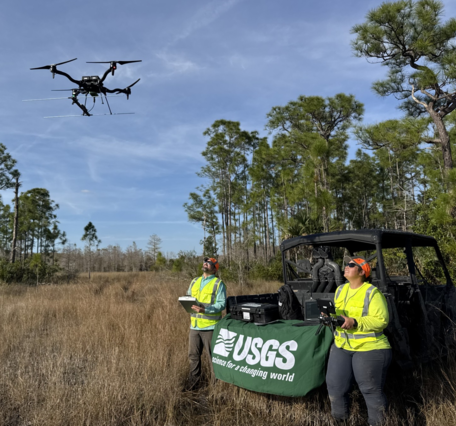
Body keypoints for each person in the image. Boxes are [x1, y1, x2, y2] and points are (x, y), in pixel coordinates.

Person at [325, 256, 392, 426]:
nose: (346, 267)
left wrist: (355, 322)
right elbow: (339, 314)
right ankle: (340, 421)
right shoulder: (340, 289)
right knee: (335, 387)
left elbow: (382, 320)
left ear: (362, 272)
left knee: (370, 391)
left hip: (370, 347)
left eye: (351, 265)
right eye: (346, 264)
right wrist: (329, 316)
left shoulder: (372, 292)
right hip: (342, 345)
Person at [186, 257, 226, 390]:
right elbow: (188, 296)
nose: (205, 264)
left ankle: (216, 388)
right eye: (205, 262)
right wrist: (186, 303)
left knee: (213, 359)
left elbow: (222, 304)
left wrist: (205, 310)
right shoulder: (194, 281)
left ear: (215, 269)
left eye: (209, 263)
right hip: (194, 326)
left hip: (210, 328)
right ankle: (193, 384)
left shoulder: (218, 283)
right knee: (193, 356)